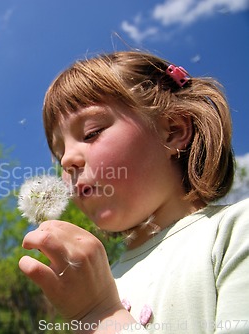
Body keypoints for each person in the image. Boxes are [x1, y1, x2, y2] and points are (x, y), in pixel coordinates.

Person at [18, 50, 249, 333]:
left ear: (173, 130)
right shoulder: (98, 282)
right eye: (59, 151)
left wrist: (100, 314)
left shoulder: (236, 231)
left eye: (91, 132)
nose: (66, 161)